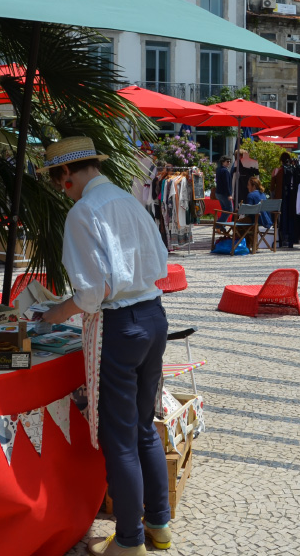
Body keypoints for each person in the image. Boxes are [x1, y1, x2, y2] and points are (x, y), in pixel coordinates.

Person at [39, 137, 172, 556]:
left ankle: (129, 541)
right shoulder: (129, 199)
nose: (64, 190)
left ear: (67, 174)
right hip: (153, 315)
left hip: (121, 325)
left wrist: (51, 315)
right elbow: (161, 260)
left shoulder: (84, 212)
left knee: (120, 437)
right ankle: (159, 525)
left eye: (60, 181)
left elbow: (92, 293)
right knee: (144, 427)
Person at [214, 155, 233, 222]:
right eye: (227, 161)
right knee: (229, 210)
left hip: (218, 192)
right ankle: (219, 225)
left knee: (225, 210)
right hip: (224, 193)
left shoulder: (218, 169)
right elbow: (226, 184)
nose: (229, 163)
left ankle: (221, 226)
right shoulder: (225, 171)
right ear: (223, 162)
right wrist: (229, 194)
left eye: (230, 162)